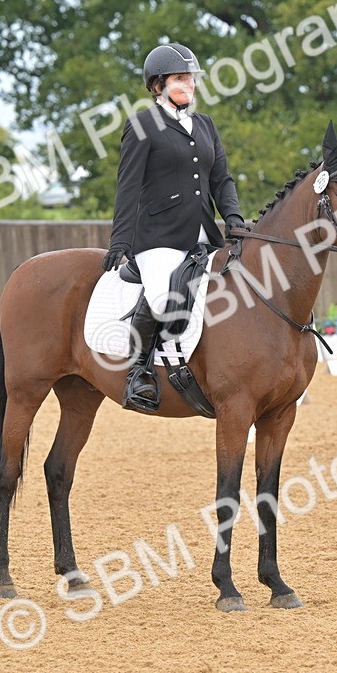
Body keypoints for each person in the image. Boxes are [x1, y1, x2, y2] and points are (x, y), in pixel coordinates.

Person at [102, 42, 247, 413]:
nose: (190, 85)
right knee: (163, 298)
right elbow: (128, 186)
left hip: (203, 234)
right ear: (158, 85)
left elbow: (222, 179)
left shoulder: (204, 124)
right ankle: (139, 373)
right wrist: (120, 240)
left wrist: (232, 216)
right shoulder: (143, 125)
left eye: (192, 79)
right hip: (158, 238)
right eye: (181, 78)